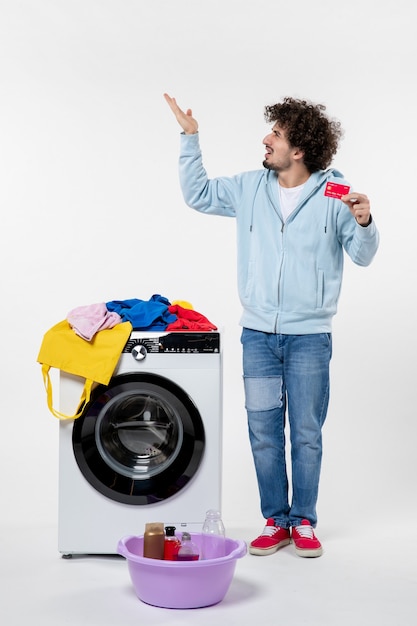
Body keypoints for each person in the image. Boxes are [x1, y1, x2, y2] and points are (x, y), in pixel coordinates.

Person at [164, 93, 379, 558]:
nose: (266, 140)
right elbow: (198, 194)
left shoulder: (335, 195)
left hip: (309, 339)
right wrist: (189, 137)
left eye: (276, 135)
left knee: (305, 432)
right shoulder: (248, 188)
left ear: (298, 149)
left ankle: (303, 521)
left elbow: (362, 255)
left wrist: (363, 221)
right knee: (263, 431)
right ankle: (274, 520)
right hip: (258, 335)